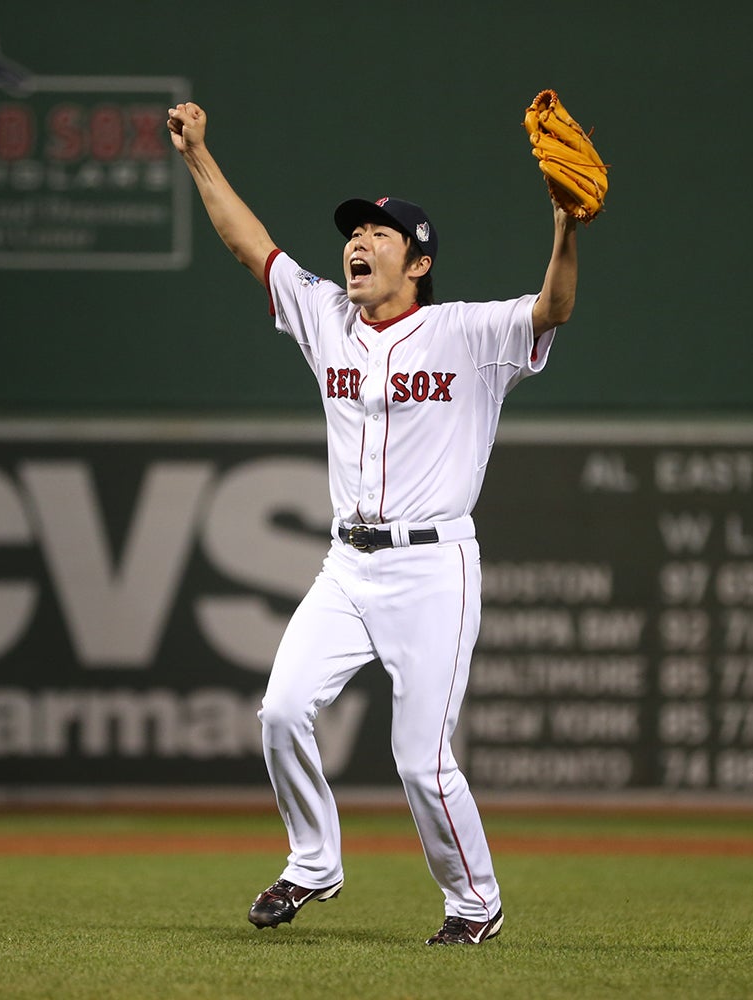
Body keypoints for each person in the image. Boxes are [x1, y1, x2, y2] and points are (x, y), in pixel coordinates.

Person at [165, 100, 581, 944]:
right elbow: (252, 245)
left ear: (418, 260)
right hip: (346, 567)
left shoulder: (468, 334)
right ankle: (313, 860)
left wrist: (567, 227)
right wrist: (199, 155)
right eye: (353, 233)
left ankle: (475, 905)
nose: (358, 242)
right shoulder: (326, 318)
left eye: (380, 234)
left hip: (435, 570)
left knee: (421, 763)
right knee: (281, 711)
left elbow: (552, 310)